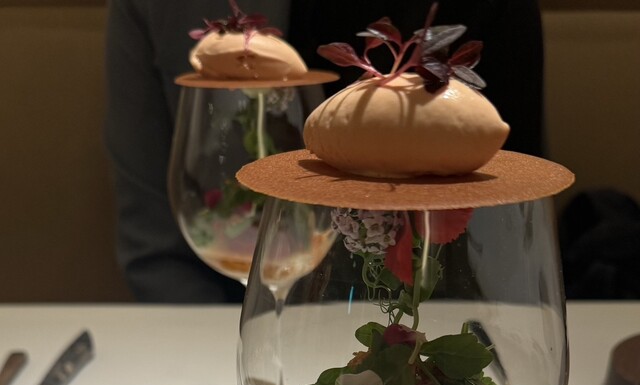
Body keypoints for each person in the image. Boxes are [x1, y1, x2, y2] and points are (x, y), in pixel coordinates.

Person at [105, 0, 544, 303]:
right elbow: (155, 248)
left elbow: (514, 227)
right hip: (223, 315)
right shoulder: (157, 9)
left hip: (440, 315)